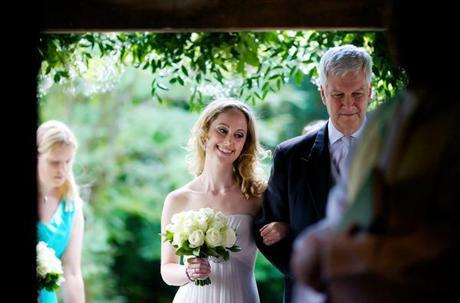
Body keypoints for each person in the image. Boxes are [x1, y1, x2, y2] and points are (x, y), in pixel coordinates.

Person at [290, 1, 460, 302]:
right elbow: (347, 206)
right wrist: (313, 243)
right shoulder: (388, 117)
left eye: (411, 22)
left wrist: (347, 255)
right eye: (394, 22)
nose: (398, 34)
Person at [253, 44, 373, 303]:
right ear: (322, 93)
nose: (348, 104)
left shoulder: (393, 148)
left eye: (358, 93)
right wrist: (305, 271)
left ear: (370, 91)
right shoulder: (290, 155)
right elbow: (265, 226)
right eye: (338, 94)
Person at [161, 98, 281, 303]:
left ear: (245, 143)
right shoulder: (177, 199)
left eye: (239, 135)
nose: (229, 141)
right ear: (205, 132)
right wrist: (188, 272)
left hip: (241, 296)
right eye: (222, 130)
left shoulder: (257, 195)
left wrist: (283, 228)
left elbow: (288, 239)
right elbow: (167, 269)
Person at [37, 120, 85, 303]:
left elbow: (72, 272)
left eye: (68, 161)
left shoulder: (71, 207)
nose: (63, 170)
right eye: (54, 162)